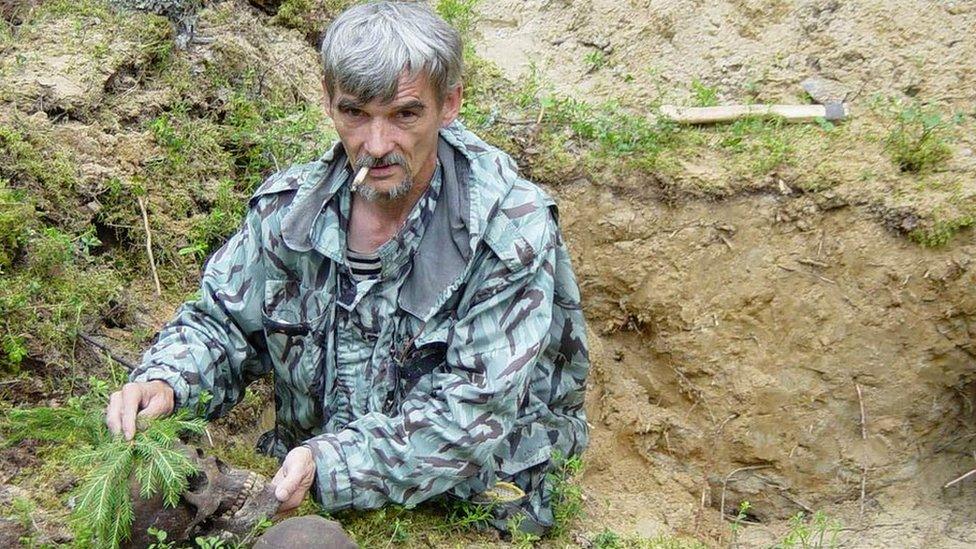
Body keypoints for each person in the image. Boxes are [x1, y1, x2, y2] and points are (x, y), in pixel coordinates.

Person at [105, 0, 589, 535]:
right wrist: (168, 379)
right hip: (302, 481)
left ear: (449, 104)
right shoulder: (290, 213)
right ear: (329, 103)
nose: (376, 145)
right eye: (356, 113)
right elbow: (221, 323)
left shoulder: (508, 229)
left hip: (472, 501)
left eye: (405, 114)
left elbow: (475, 414)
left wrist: (332, 465)